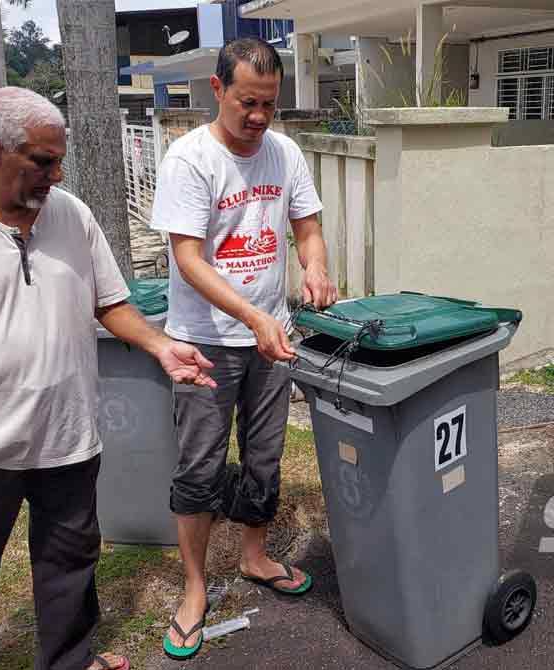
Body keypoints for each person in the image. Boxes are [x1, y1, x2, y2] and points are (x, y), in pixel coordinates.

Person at [0, 87, 216, 670]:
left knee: (69, 559)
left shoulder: (71, 214)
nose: (55, 174)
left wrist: (161, 345)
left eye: (58, 159)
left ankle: (68, 659)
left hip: (67, 436)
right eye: (42, 161)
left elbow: (109, 303)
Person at [150, 38, 337, 660]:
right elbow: (188, 259)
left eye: (269, 104)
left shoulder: (284, 153)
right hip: (204, 342)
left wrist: (314, 268)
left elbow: (306, 228)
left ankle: (255, 557)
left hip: (269, 339)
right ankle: (196, 589)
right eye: (247, 103)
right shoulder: (190, 159)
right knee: (199, 469)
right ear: (218, 90)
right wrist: (254, 314)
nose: (258, 117)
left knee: (265, 459)